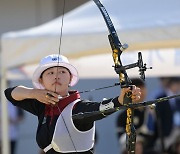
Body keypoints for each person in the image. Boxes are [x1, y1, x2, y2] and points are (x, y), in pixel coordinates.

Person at [4, 54, 141, 154]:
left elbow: (100, 108)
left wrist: (120, 101)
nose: (56, 76)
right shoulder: (42, 105)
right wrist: (34, 93)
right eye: (50, 73)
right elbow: (10, 94)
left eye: (62, 72)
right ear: (41, 80)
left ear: (70, 78)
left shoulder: (77, 107)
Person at [116, 78, 157, 154]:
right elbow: (121, 136)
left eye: (143, 88)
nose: (142, 92)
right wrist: (136, 143)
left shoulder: (151, 111)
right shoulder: (123, 115)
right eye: (138, 90)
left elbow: (156, 133)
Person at [153, 77, 180, 154]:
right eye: (178, 84)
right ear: (173, 84)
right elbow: (157, 116)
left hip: (177, 130)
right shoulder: (161, 98)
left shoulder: (177, 99)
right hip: (165, 132)